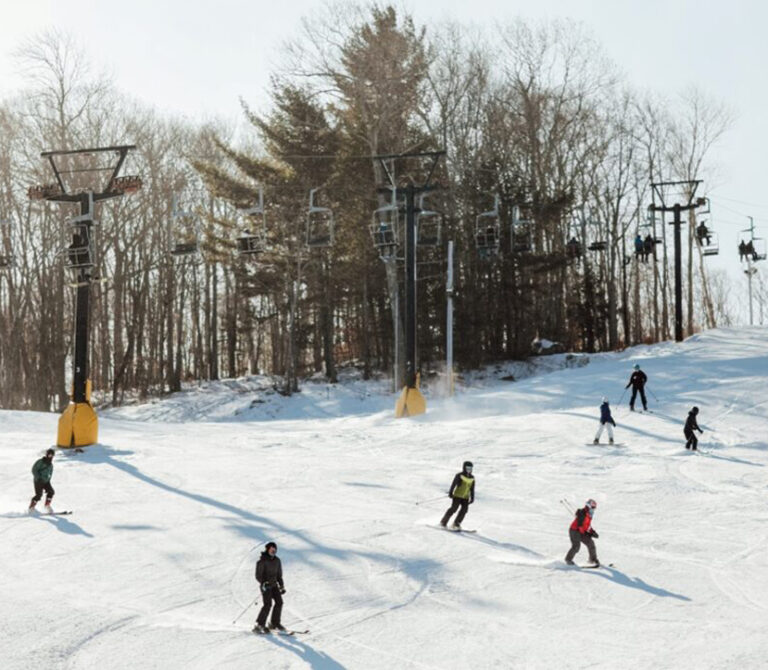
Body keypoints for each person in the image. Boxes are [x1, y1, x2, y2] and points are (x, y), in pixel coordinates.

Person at [253, 542, 286, 634]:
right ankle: (259, 624)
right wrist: (264, 583)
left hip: (274, 585)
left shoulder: (277, 560)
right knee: (268, 604)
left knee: (279, 602)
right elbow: (258, 575)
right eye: (272, 549)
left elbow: (279, 575)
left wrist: (281, 586)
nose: (273, 551)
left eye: (275, 549)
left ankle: (274, 623)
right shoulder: (262, 561)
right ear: (267, 549)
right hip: (266, 586)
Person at [439, 461, 475, 530]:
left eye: (470, 468)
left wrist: (472, 497)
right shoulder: (459, 475)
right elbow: (454, 484)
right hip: (457, 495)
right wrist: (450, 492)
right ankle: (443, 522)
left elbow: (472, 488)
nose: (469, 470)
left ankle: (456, 524)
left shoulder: (472, 478)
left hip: (465, 497)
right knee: (454, 508)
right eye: (467, 468)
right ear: (464, 468)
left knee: (464, 510)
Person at [565, 499, 600, 567]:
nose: (594, 509)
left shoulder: (589, 515)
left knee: (591, 543)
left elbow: (587, 525)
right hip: (574, 531)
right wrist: (587, 533)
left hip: (581, 531)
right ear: (588, 505)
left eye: (594, 507)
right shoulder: (583, 513)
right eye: (593, 507)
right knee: (576, 546)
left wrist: (592, 532)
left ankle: (592, 560)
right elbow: (580, 525)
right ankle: (568, 560)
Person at [29, 448, 56, 513]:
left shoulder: (51, 465)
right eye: (49, 455)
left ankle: (47, 506)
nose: (50, 456)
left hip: (46, 481)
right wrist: (38, 478)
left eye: (52, 455)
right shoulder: (40, 461)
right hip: (38, 481)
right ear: (47, 455)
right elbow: (34, 470)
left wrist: (48, 480)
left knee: (51, 492)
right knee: (38, 495)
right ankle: (31, 508)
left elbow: (50, 473)